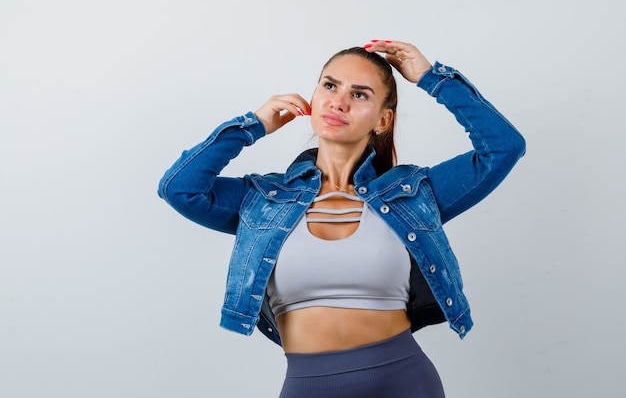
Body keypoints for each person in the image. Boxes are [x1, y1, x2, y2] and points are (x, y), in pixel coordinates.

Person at [157, 39, 525, 397]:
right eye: (330, 85)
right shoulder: (262, 200)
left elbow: (503, 147)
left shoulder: (414, 194)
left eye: (360, 94)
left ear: (383, 120)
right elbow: (180, 188)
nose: (339, 102)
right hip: (308, 383)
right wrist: (251, 125)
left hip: (405, 380)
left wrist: (432, 77)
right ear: (314, 97)